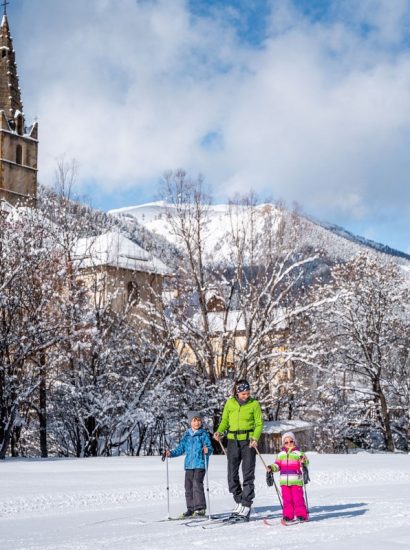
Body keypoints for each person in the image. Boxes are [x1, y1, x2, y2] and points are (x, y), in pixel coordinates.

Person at [213, 379, 263, 521]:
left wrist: (255, 437)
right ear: (237, 392)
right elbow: (224, 421)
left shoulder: (254, 404)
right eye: (243, 394)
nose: (245, 396)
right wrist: (219, 432)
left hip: (248, 442)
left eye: (247, 393)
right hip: (232, 441)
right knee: (232, 474)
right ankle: (239, 500)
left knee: (248, 473)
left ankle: (246, 504)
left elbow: (259, 423)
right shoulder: (230, 403)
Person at [165, 411, 213, 518]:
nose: (197, 423)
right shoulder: (187, 435)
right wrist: (171, 453)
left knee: (197, 483)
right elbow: (181, 448)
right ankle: (191, 509)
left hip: (200, 464)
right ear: (190, 422)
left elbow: (209, 448)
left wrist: (207, 450)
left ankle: (200, 508)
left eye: (199, 420)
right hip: (189, 465)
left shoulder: (203, 434)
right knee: (188, 487)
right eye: (194, 420)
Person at [267, 431, 309, 523]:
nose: (289, 444)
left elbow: (305, 463)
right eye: (286, 442)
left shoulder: (299, 453)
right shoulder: (280, 455)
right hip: (284, 483)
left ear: (294, 441)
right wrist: (271, 468)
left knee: (298, 499)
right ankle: (288, 515)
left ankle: (301, 515)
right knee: (287, 500)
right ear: (283, 444)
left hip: (296, 482)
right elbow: (277, 465)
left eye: (291, 441)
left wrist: (303, 461)